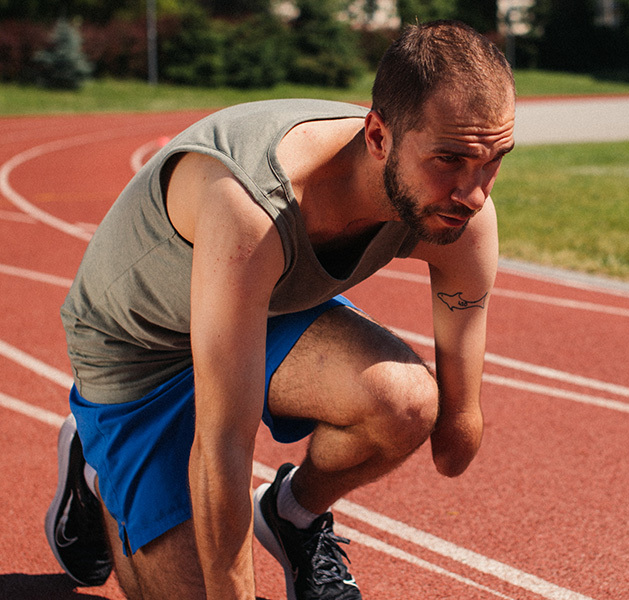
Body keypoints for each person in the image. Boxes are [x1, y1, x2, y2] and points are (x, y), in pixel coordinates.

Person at [44, 19, 516, 600]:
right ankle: (94, 470)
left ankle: (291, 515)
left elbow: (457, 424)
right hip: (139, 348)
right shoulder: (252, 204)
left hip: (261, 304)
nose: (474, 194)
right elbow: (224, 442)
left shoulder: (461, 215)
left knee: (408, 404)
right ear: (378, 138)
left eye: (493, 160)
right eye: (448, 160)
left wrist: (457, 426)